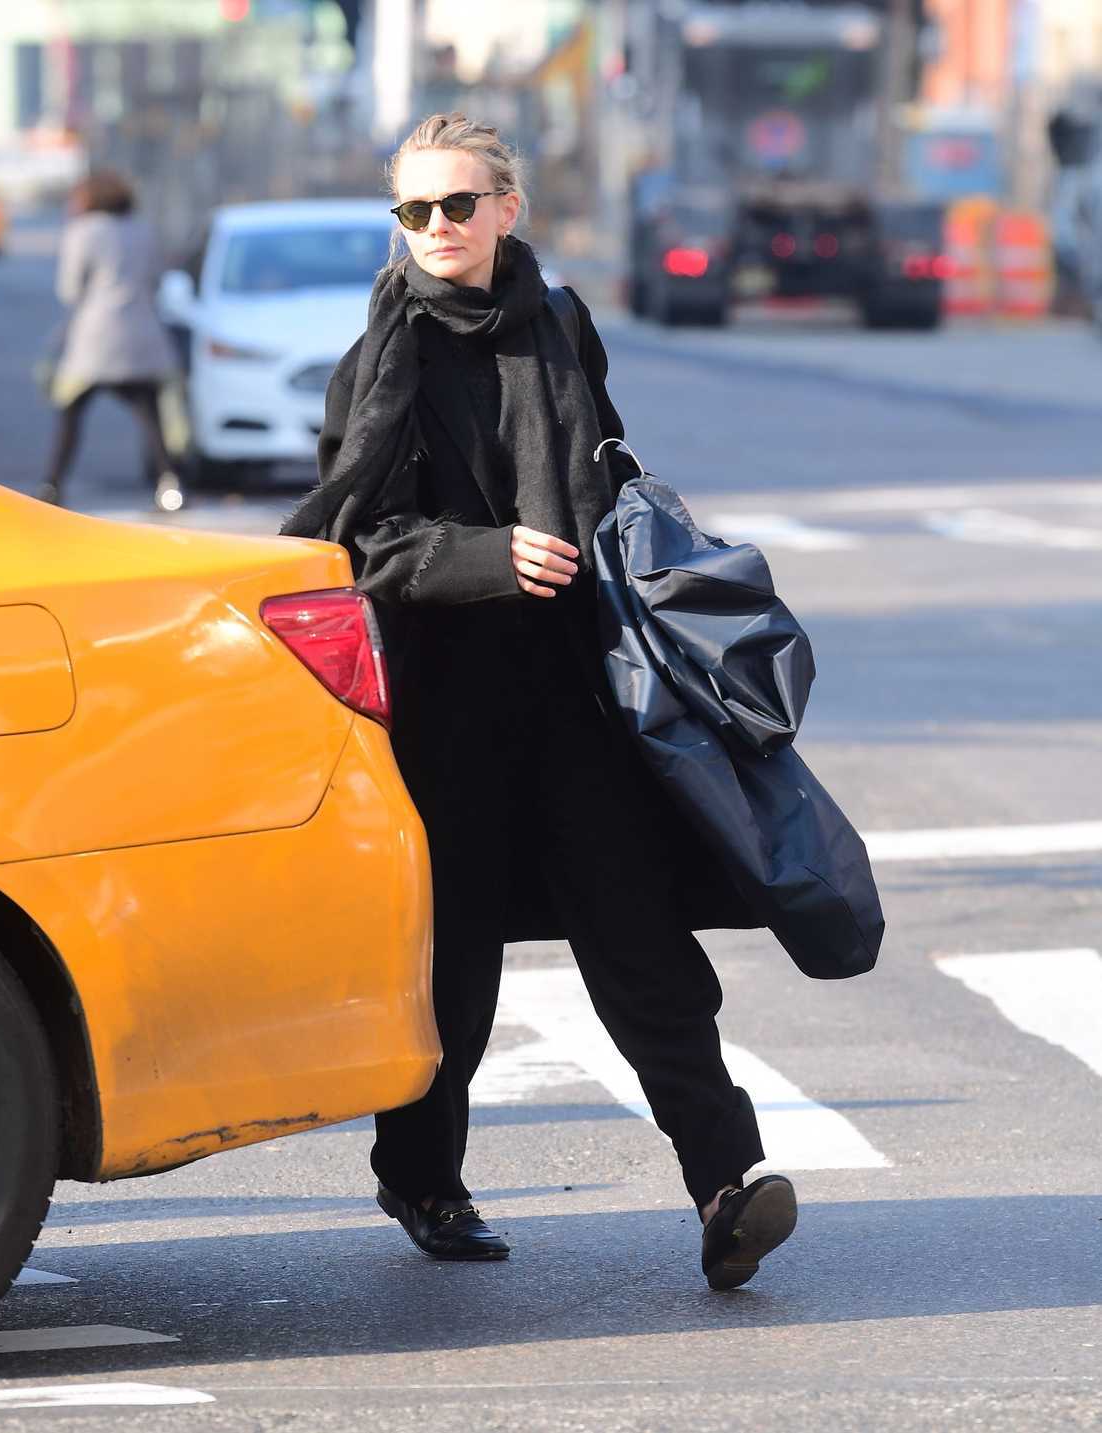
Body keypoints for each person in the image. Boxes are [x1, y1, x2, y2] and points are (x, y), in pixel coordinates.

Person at [281, 113, 797, 1291]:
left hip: (577, 693)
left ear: (509, 208)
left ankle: (728, 1182)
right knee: (452, 968)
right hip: (444, 707)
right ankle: (422, 1177)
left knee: (641, 944)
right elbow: (358, 542)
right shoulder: (381, 360)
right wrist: (484, 556)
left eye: (458, 205)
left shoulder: (561, 325)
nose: (438, 229)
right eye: (414, 212)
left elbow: (605, 471)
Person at [38, 170, 183, 512]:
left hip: (95, 338)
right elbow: (158, 280)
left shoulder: (82, 233)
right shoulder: (144, 230)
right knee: (149, 412)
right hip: (141, 336)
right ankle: (170, 484)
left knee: (71, 411)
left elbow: (69, 290)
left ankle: (53, 485)